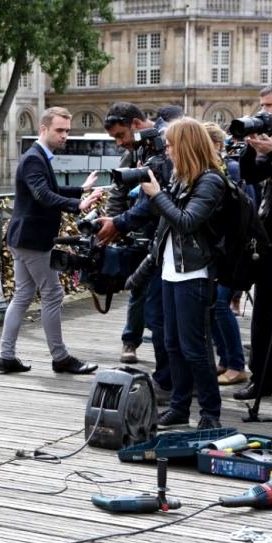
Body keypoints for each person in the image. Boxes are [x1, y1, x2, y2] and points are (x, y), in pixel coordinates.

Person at [0, 107, 103, 375]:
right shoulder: (34, 159)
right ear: (43, 129)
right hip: (32, 240)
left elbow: (49, 191)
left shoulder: (38, 157)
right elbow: (44, 195)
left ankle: (6, 357)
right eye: (60, 130)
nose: (65, 135)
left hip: (23, 238)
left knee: (22, 295)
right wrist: (79, 204)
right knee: (53, 294)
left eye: (67, 130)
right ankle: (60, 358)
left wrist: (81, 189)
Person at [141, 117, 226, 430]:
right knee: (172, 343)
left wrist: (157, 195)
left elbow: (187, 222)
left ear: (186, 145)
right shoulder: (181, 178)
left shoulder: (210, 181)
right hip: (170, 271)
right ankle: (179, 407)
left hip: (195, 273)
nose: (167, 150)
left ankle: (210, 413)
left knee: (195, 347)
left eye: (171, 144)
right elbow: (166, 223)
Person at [97, 103, 180, 403]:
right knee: (158, 312)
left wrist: (119, 223)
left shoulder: (160, 148)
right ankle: (174, 380)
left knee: (160, 316)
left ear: (135, 123)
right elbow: (123, 191)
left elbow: (159, 197)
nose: (120, 143)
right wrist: (116, 224)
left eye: (121, 135)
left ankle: (170, 383)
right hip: (152, 240)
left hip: (168, 242)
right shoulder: (141, 147)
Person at [234, 84, 272, 401]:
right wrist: (252, 147)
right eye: (260, 106)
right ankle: (260, 379)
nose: (263, 111)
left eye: (269, 106)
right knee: (263, 310)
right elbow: (251, 175)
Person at [203, 122, 250, 386]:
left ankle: (236, 364)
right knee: (215, 306)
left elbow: (244, 210)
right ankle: (226, 359)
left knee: (221, 304)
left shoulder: (231, 169)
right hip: (219, 251)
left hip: (232, 251)